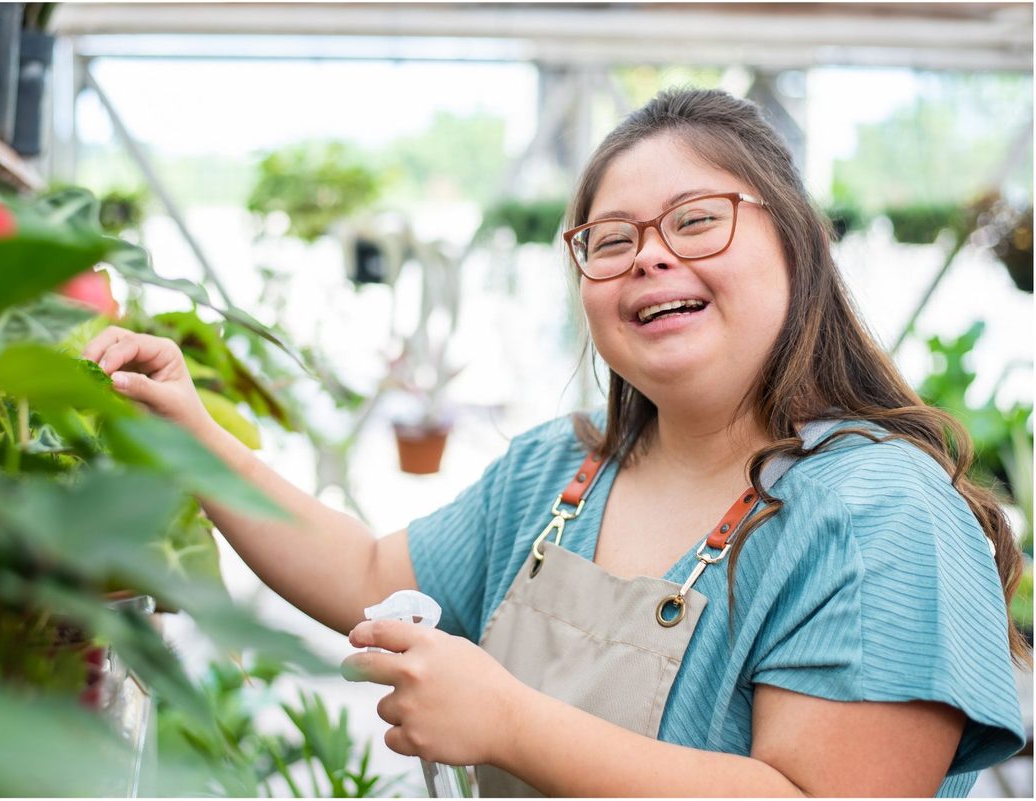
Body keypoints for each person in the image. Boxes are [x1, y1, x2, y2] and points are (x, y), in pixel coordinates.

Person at [83, 88, 1028, 797]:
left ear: (796, 246)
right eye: (610, 240)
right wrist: (189, 431)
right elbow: (367, 567)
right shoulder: (559, 471)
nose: (650, 254)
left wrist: (507, 720)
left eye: (697, 220)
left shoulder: (881, 513)